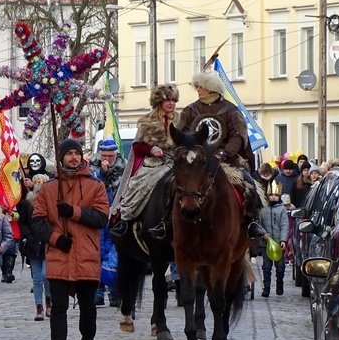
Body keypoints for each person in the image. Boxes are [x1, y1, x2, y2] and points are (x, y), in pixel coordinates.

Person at [32, 138, 109, 340]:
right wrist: (56, 239)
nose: (73, 157)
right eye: (69, 154)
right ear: (61, 158)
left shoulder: (96, 186)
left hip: (86, 254)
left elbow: (100, 218)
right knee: (58, 309)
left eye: (77, 153)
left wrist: (73, 212)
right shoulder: (48, 189)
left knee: (88, 307)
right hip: (59, 255)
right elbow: (38, 221)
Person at [175, 72, 266, 239]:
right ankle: (165, 222)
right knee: (171, 184)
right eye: (197, 86)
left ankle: (252, 222)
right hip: (195, 162)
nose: (198, 90)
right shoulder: (190, 110)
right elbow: (181, 134)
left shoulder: (231, 110)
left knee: (248, 183)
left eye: (201, 86)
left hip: (225, 162)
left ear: (211, 88)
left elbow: (238, 136)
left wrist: (224, 153)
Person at [110, 84, 180, 240]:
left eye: (174, 100)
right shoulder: (146, 121)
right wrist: (152, 149)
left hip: (176, 162)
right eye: (168, 100)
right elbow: (137, 147)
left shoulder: (181, 120)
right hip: (154, 163)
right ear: (159, 102)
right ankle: (126, 220)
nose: (171, 104)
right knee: (139, 185)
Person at [90, 139, 125, 307]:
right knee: (98, 253)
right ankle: (98, 292)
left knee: (115, 255)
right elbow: (90, 186)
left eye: (110, 156)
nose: (107, 158)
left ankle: (115, 293)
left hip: (117, 217)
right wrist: (103, 174)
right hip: (98, 217)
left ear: (116, 154)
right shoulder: (92, 168)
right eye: (104, 155)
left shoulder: (124, 168)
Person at [18, 173, 52, 321]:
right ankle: (39, 307)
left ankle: (49, 302)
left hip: (47, 244)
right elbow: (22, 222)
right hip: (32, 245)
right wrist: (28, 236)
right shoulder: (28, 204)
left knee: (46, 275)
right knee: (37, 278)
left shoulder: (52, 203)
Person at [259, 181, 289, 297]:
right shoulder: (263, 209)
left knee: (280, 266)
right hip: (266, 243)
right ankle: (266, 287)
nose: (273, 197)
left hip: (278, 242)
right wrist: (263, 234)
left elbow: (284, 225)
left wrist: (283, 240)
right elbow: (259, 223)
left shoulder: (282, 210)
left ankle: (279, 283)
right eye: (271, 195)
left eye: (276, 195)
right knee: (266, 267)